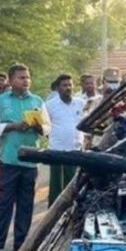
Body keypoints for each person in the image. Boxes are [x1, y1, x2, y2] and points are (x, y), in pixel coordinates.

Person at [0, 64, 48, 251]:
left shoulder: (37, 101)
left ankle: (21, 245)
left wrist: (38, 127)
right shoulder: (0, 101)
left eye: (28, 77)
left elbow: (47, 128)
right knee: (3, 204)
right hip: (8, 160)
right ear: (10, 81)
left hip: (30, 161)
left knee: (26, 205)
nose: (26, 81)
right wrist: (14, 126)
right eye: (21, 78)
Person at [45, 74, 85, 205]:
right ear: (57, 88)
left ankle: (72, 213)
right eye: (64, 85)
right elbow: (44, 126)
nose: (68, 88)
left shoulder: (80, 103)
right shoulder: (49, 105)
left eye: (70, 85)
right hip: (57, 150)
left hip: (76, 149)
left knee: (74, 184)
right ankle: (53, 216)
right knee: (57, 186)